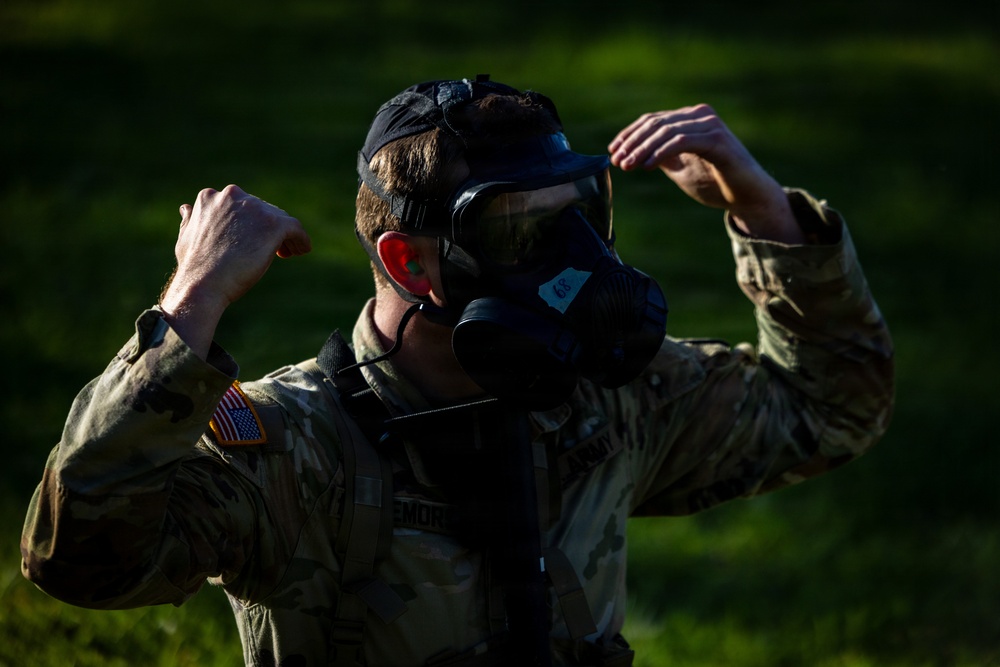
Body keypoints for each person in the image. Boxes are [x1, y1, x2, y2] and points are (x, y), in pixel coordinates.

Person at [21, 76, 894, 667]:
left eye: (578, 218)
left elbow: (830, 405)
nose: (575, 262)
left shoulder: (602, 397)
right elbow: (79, 557)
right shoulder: (294, 445)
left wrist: (765, 209)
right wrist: (190, 303)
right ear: (408, 259)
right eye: (525, 232)